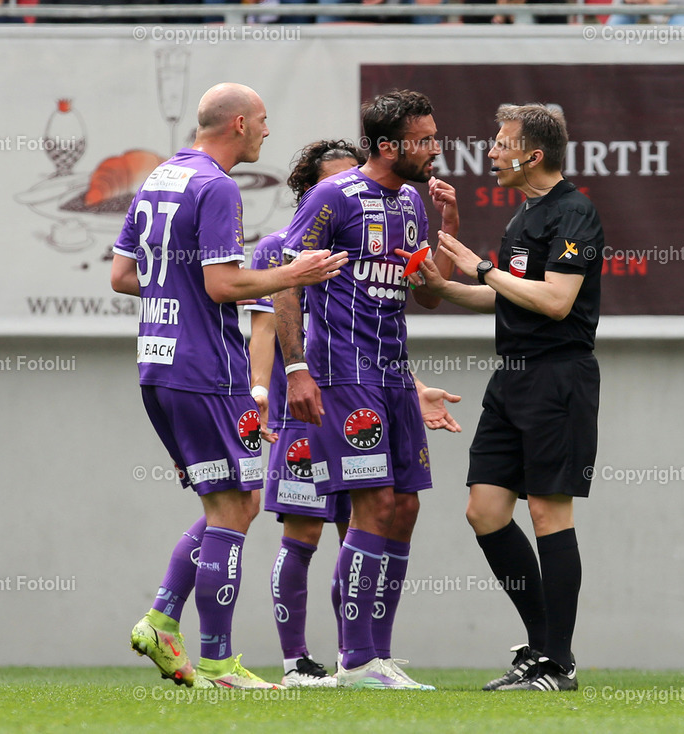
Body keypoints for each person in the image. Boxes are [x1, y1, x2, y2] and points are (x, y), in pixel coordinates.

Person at [110, 82, 347, 690]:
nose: (269, 132)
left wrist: (176, 292)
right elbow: (221, 286)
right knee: (234, 508)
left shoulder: (161, 177)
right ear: (238, 123)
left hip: (157, 366)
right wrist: (291, 273)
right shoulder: (216, 186)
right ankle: (217, 663)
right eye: (264, 121)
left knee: (232, 504)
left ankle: (163, 620)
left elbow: (122, 275)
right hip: (206, 370)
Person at [408, 102, 603, 692]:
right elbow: (507, 296)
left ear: (533, 154)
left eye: (501, 142)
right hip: (511, 380)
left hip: (558, 378)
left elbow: (555, 301)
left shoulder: (575, 213)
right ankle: (542, 649)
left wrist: (482, 269)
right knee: (485, 512)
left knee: (548, 512)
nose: (491, 151)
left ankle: (558, 663)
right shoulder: (523, 216)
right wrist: (445, 284)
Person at [273, 89, 461, 690]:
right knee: (373, 503)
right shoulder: (334, 196)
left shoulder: (410, 201)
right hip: (343, 370)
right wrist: (296, 368)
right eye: (425, 138)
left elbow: (428, 295)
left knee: (405, 506)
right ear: (388, 146)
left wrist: (447, 228)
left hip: (394, 373)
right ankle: (353, 660)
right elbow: (287, 278)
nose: (436, 147)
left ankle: (376, 655)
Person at [246, 139, 362, 688]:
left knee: (359, 535)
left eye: (351, 180)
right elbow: (264, 329)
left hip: (357, 412)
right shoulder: (276, 248)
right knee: (302, 538)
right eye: (330, 184)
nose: (343, 193)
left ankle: (356, 659)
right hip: (304, 416)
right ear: (306, 191)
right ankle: (296, 662)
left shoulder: (362, 250)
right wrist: (260, 391)